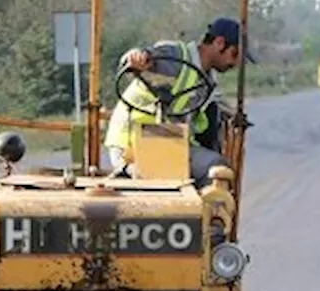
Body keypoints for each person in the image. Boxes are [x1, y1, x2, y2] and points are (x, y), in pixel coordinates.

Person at [105, 17, 254, 187]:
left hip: (167, 144)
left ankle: (205, 210)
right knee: (212, 167)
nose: (234, 63)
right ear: (219, 43)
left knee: (216, 165)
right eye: (234, 54)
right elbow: (138, 59)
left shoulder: (206, 81)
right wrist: (137, 58)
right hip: (131, 145)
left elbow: (214, 108)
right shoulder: (174, 57)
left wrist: (234, 116)